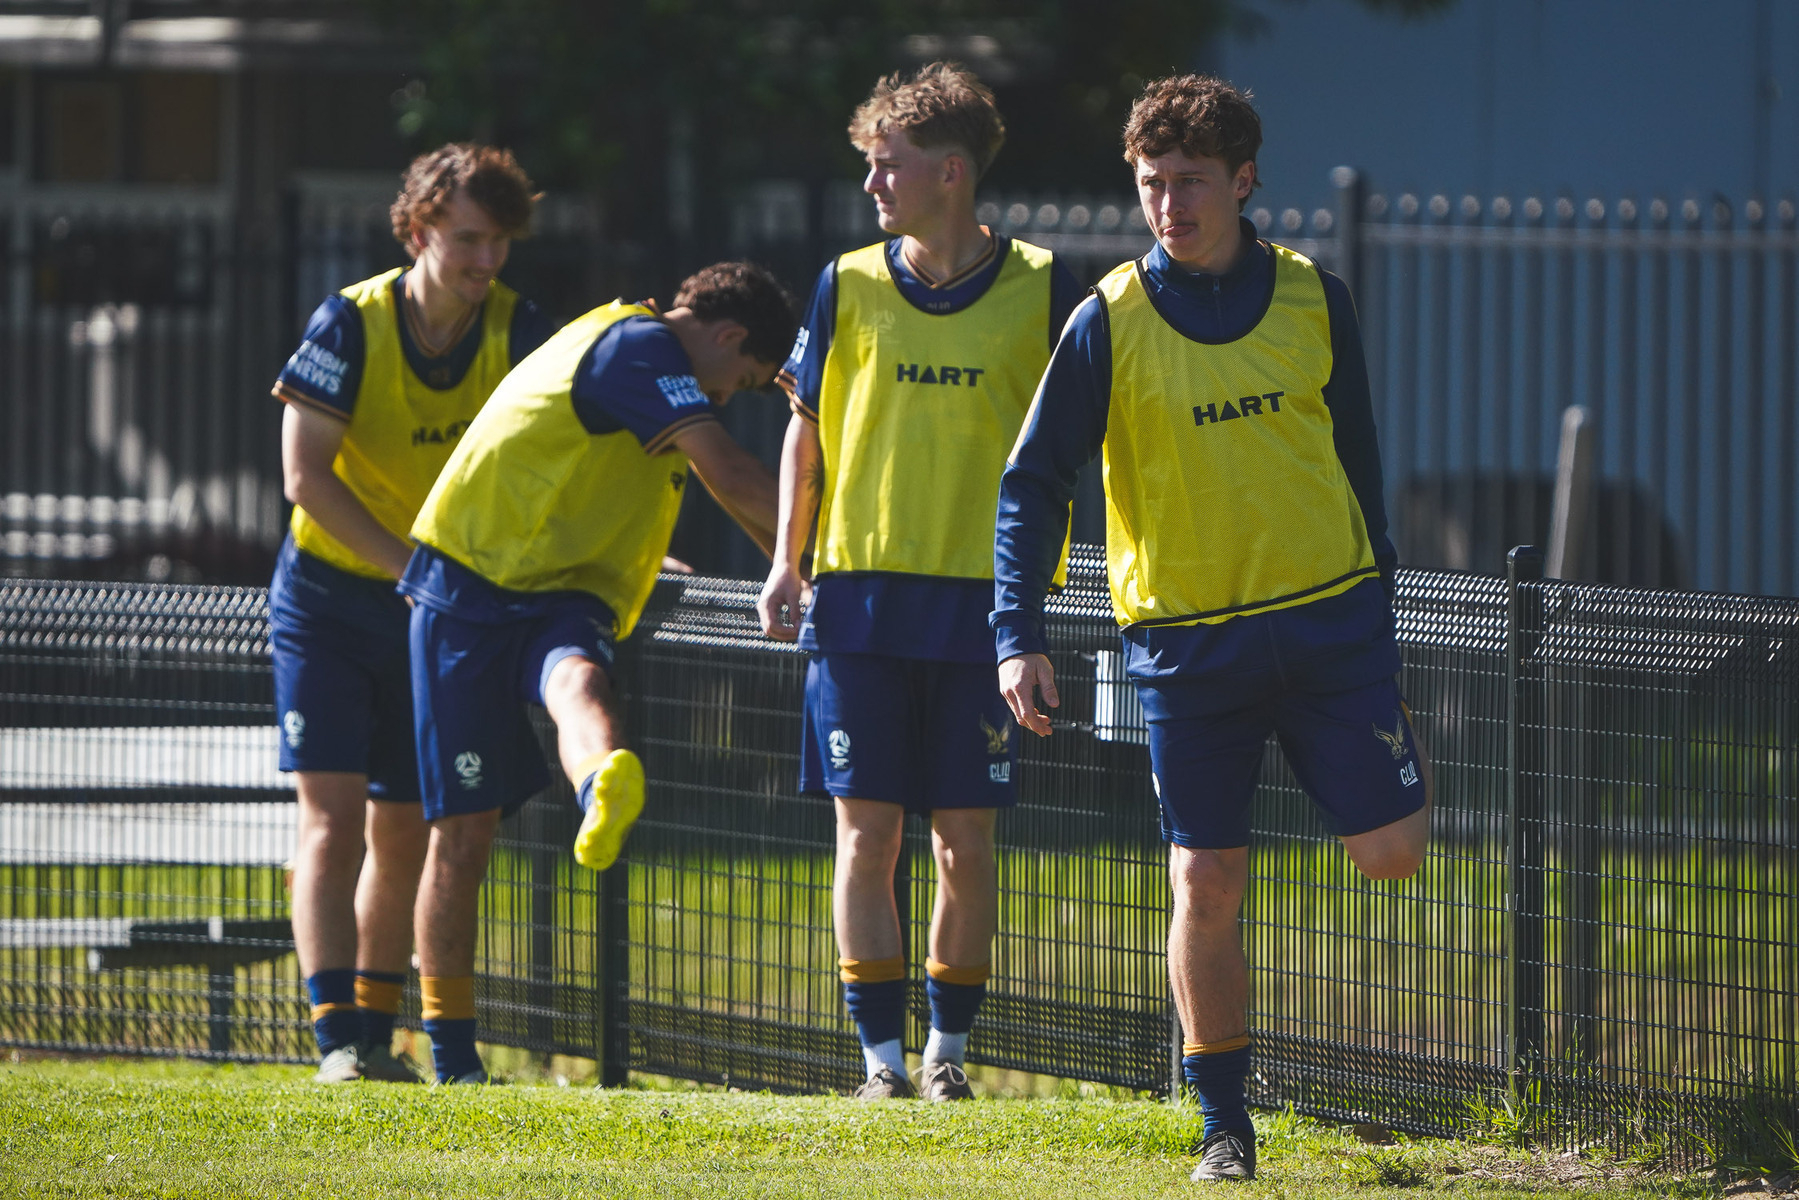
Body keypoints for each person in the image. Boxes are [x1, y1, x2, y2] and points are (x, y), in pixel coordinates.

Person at [991, 75, 1433, 1180]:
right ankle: (1223, 1121)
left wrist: (1380, 630)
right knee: (1204, 882)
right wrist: (1017, 632)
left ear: (1242, 182)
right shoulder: (1106, 321)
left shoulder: (1312, 298)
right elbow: (1032, 485)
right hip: (1186, 648)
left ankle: (1233, 1072)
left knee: (1390, 857)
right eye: (1150, 184)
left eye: (1190, 182)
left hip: (1329, 629)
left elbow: (1360, 464)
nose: (1168, 204)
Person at [756, 63, 1084, 1103]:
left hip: (981, 609)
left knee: (962, 843)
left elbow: (1083, 445)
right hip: (858, 600)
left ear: (950, 173)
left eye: (885, 166)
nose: (871, 186)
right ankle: (879, 1063)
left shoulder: (1044, 285)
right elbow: (802, 435)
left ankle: (946, 1056)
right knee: (866, 834)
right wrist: (784, 559)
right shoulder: (844, 281)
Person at [399, 262, 795, 1084]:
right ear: (726, 337)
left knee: (475, 821)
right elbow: (735, 478)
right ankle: (594, 782)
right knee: (556, 706)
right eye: (742, 380)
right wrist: (826, 575)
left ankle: (601, 787)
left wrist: (682, 558)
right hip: (470, 580)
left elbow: (604, 470)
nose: (728, 396)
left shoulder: (630, 345)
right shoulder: (641, 348)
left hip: (553, 583)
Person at [271, 144, 550, 1084]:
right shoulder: (350, 323)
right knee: (332, 820)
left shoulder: (518, 331)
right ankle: (334, 1041)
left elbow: (564, 456)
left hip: (431, 608)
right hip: (330, 599)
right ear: (421, 226)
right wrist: (412, 569)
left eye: (500, 242)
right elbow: (304, 478)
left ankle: (375, 1031)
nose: (485, 261)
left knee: (402, 829)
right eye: (469, 238)